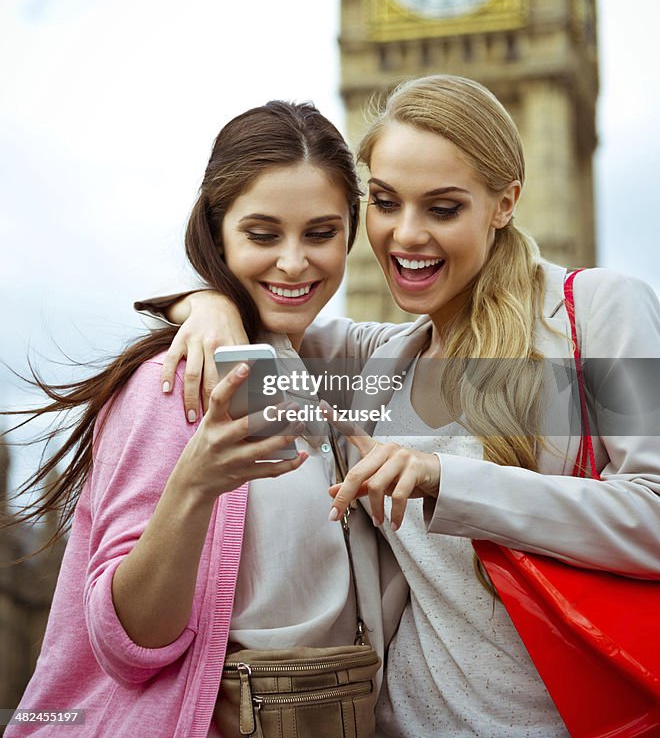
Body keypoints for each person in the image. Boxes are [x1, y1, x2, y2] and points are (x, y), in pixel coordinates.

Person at [141, 75, 660, 738]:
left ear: (506, 203)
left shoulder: (598, 312)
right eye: (385, 203)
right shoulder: (376, 360)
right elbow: (265, 291)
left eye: (443, 209)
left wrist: (449, 480)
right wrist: (203, 303)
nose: (405, 236)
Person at [4, 100, 403, 738]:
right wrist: (195, 483)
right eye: (263, 235)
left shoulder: (329, 372)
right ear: (218, 233)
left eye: (320, 233)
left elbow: (562, 386)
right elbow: (127, 644)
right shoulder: (175, 385)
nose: (294, 263)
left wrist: (205, 300)